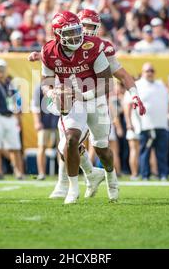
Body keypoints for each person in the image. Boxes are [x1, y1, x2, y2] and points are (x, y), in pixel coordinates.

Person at [41, 11, 117, 204]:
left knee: (102, 149)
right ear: (58, 35)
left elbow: (107, 83)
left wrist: (83, 94)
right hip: (72, 101)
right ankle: (72, 190)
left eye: (77, 30)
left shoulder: (92, 47)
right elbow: (46, 82)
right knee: (70, 140)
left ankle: (111, 178)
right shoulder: (49, 51)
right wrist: (52, 94)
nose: (75, 36)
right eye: (69, 33)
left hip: (95, 99)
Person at [126, 63, 169, 181]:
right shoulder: (137, 85)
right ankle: (145, 175)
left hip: (162, 124)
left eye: (151, 70)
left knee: (162, 152)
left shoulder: (161, 85)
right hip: (145, 125)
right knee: (145, 152)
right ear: (143, 72)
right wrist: (129, 122)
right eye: (147, 71)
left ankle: (163, 174)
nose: (150, 73)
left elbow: (168, 102)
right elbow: (128, 105)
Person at [31, 85, 59, 180]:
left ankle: (62, 173)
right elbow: (35, 106)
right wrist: (37, 122)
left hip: (58, 121)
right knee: (42, 147)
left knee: (62, 148)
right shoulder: (39, 88)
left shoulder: (59, 84)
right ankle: (41, 173)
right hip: (45, 122)